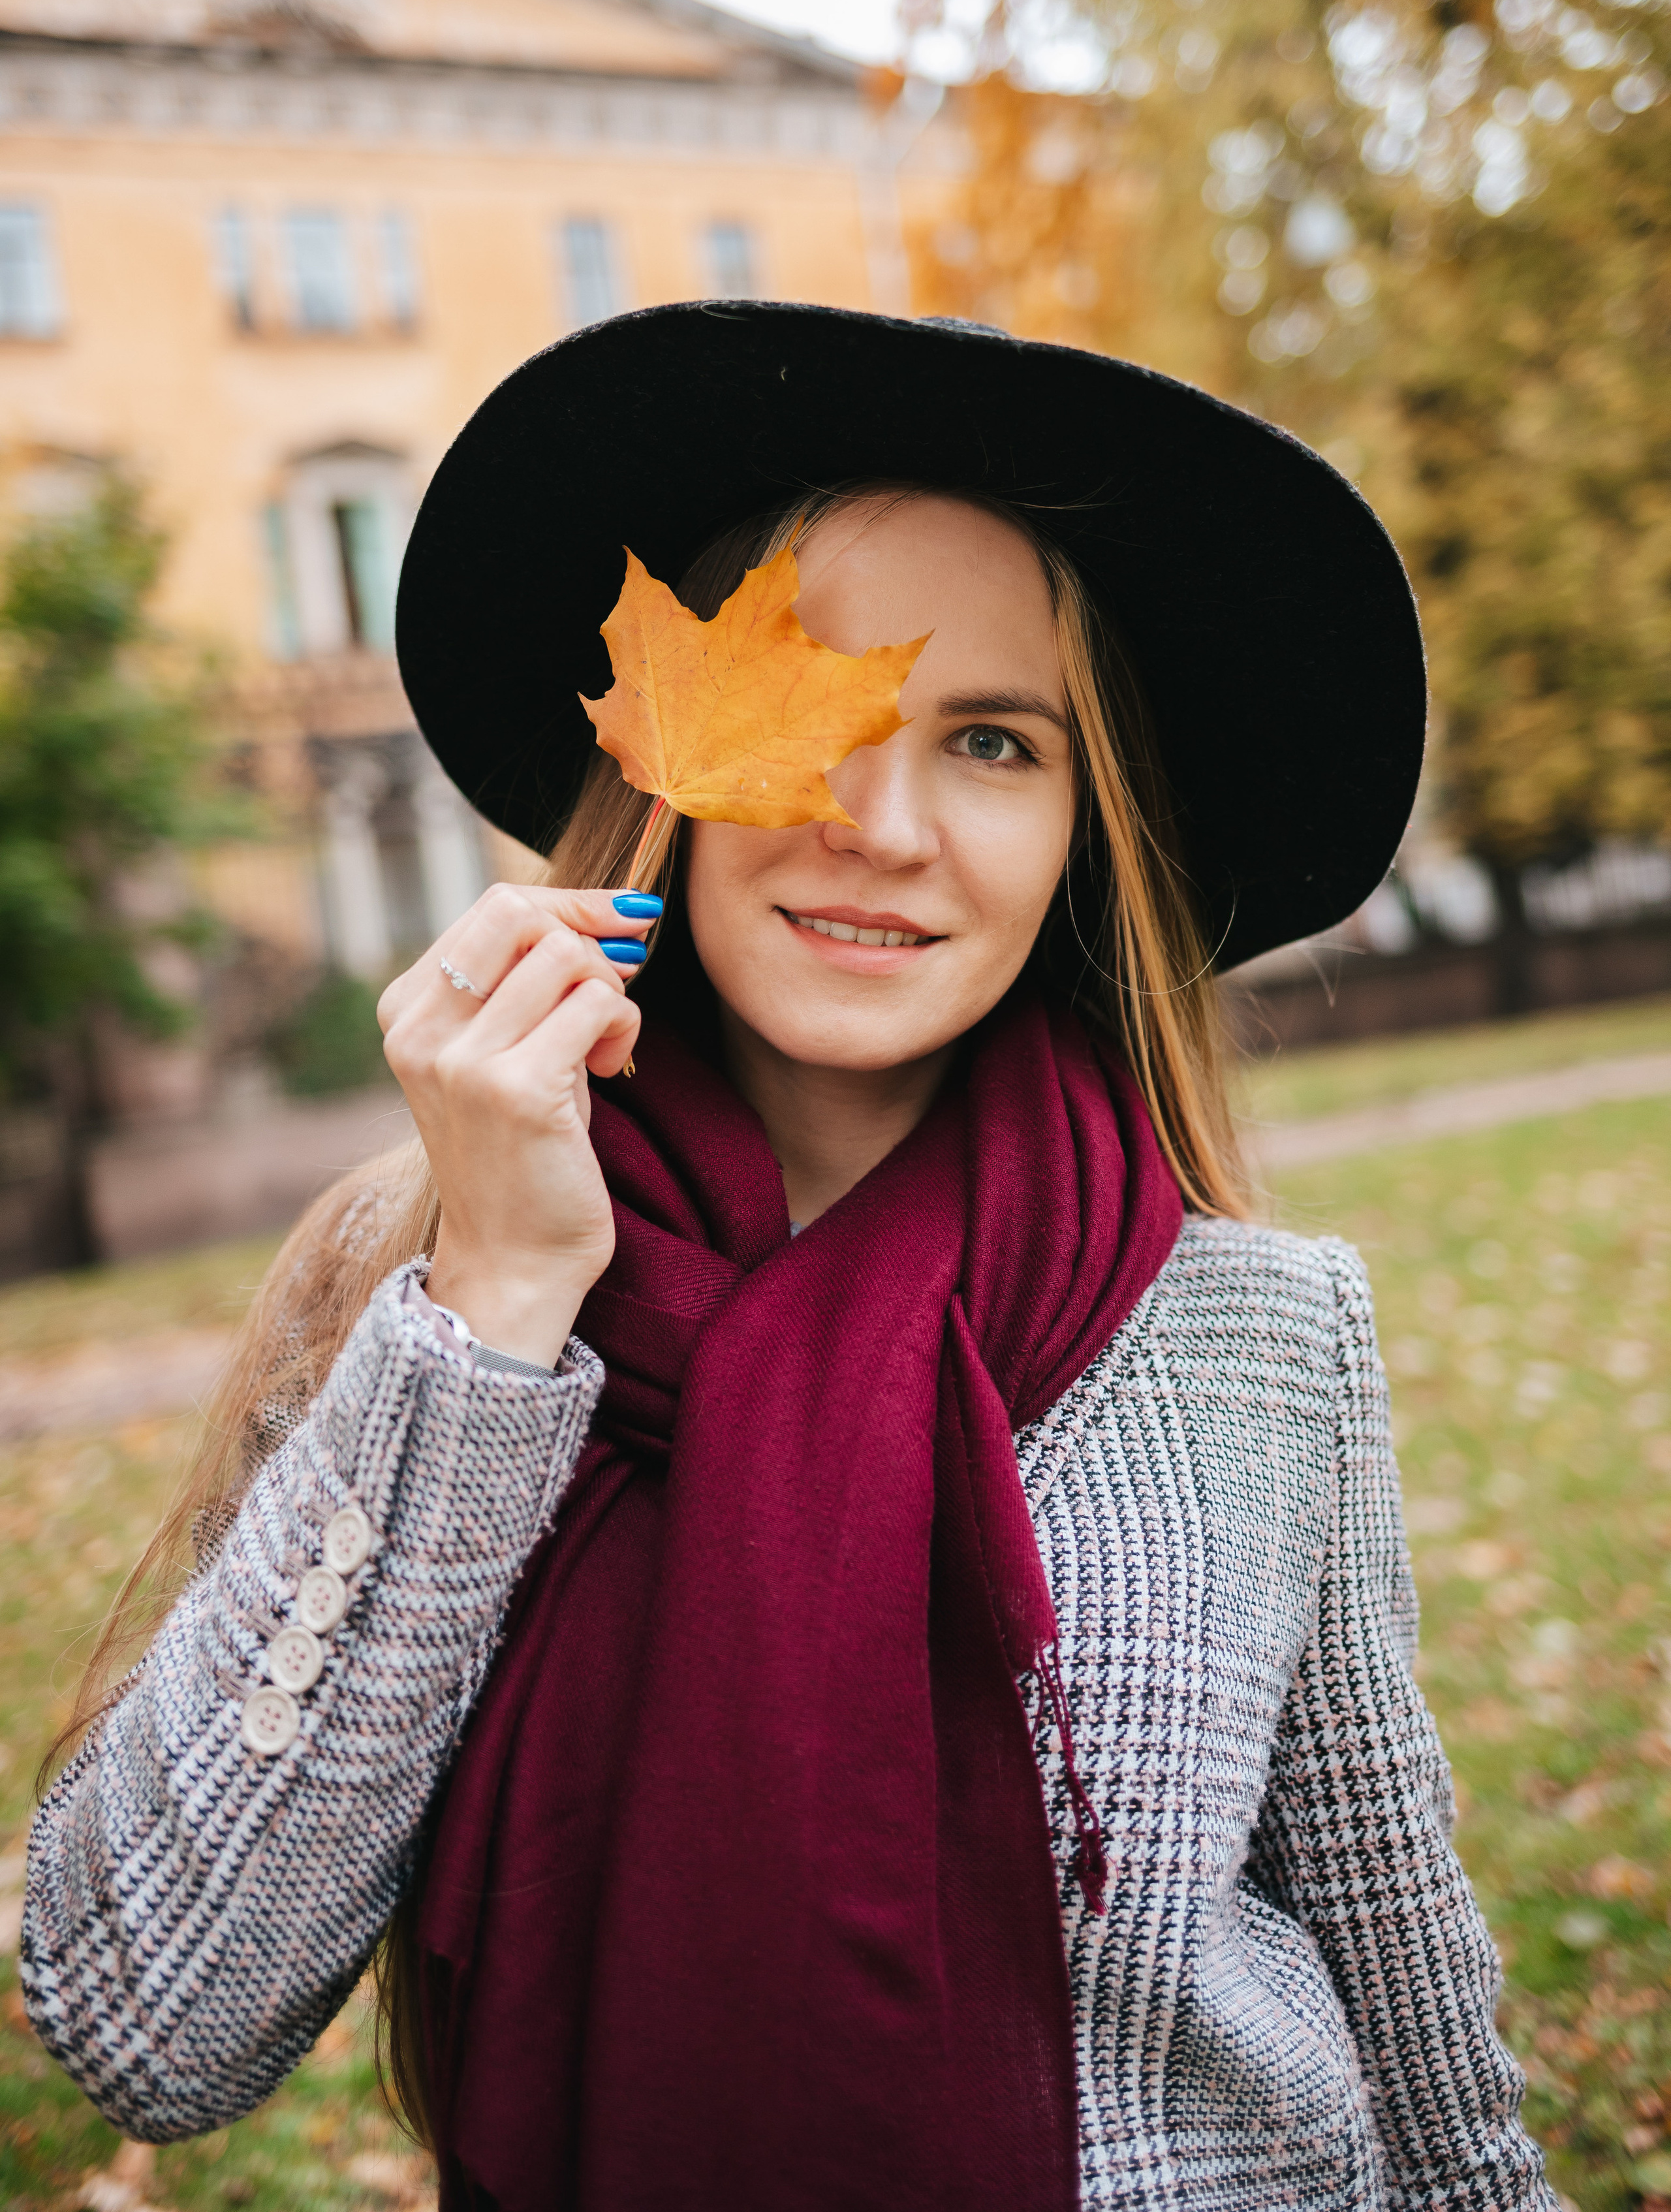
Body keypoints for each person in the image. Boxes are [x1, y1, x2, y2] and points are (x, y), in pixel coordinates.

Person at [23, 304, 1554, 2212]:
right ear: (661, 762)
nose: (883, 826)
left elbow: (1407, 1991)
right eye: (811, 709)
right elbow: (147, 2018)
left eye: (991, 742)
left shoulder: (1258, 1329)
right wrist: (496, 1316)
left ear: (1083, 830)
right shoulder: (414, 1286)